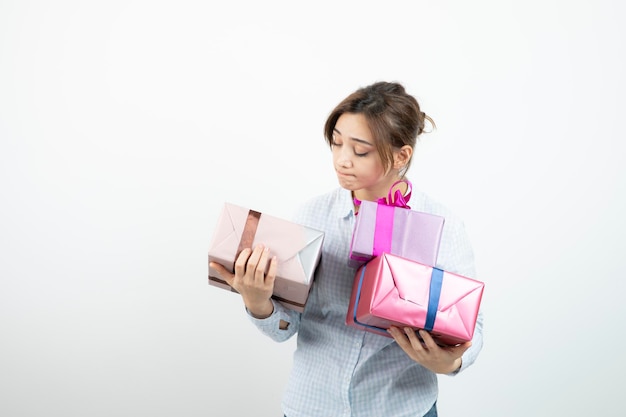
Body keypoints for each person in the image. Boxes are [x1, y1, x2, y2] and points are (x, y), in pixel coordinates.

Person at [210, 81, 484, 417]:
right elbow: (287, 327)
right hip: (311, 406)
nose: (342, 160)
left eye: (360, 150)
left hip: (400, 408)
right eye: (336, 143)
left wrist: (450, 360)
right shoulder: (314, 215)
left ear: (401, 155)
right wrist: (257, 301)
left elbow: (474, 329)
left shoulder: (442, 224)